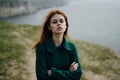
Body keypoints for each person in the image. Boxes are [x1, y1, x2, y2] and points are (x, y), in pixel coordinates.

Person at [34, 9, 82, 80]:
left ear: (66, 26)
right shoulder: (41, 48)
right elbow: (41, 77)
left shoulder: (72, 47)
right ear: (49, 27)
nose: (59, 23)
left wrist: (52, 72)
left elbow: (77, 74)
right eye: (54, 22)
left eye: (61, 21)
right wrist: (68, 72)